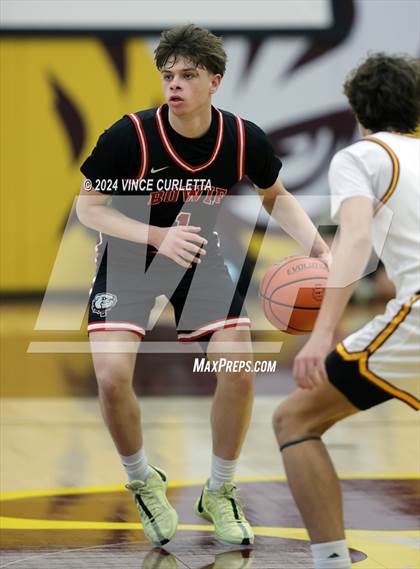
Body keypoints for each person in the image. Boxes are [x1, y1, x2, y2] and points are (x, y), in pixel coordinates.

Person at [77, 24, 329, 547]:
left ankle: (219, 489)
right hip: (128, 258)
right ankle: (142, 479)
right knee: (112, 377)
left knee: (239, 371)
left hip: (196, 255)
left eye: (188, 75)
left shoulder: (241, 138)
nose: (175, 84)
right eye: (168, 75)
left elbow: (276, 196)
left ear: (215, 80)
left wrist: (319, 250)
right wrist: (156, 236)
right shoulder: (130, 136)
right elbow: (88, 208)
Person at [272, 53, 420, 569]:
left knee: (294, 419)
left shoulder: (360, 157)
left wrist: (321, 334)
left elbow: (354, 240)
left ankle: (331, 560)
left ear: (357, 111)